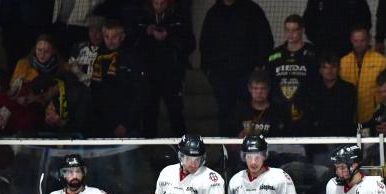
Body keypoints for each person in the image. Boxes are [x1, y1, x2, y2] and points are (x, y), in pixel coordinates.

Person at [199, 0, 273, 137]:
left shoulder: (252, 10)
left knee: (246, 111)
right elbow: (204, 44)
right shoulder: (213, 13)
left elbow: (265, 39)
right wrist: (208, 70)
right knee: (225, 112)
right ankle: (226, 150)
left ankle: (251, 148)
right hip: (220, 76)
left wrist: (259, 67)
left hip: (246, 74)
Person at [137, 0, 196, 137]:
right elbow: (134, 42)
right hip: (149, 72)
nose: (158, 7)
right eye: (155, 3)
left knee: (175, 111)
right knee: (149, 112)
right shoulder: (143, 17)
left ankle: (181, 148)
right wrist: (146, 32)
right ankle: (149, 148)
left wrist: (168, 35)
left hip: (172, 73)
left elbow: (189, 44)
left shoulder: (179, 17)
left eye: (162, 3)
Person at [90, 20, 147, 138]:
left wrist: (125, 123)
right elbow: (96, 90)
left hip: (126, 124)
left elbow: (139, 93)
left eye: (114, 37)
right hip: (102, 122)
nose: (110, 41)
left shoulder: (132, 58)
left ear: (122, 37)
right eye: (106, 36)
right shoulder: (99, 57)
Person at [267, 14, 319, 137]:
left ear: (302, 30)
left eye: (294, 30)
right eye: (288, 30)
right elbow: (269, 82)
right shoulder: (275, 55)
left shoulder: (313, 54)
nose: (291, 34)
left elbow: (318, 83)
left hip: (306, 112)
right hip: (279, 112)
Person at [339, 25, 386, 124]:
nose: (359, 44)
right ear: (351, 40)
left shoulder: (380, 61)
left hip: (374, 116)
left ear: (368, 40)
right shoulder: (343, 62)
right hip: (349, 116)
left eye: (362, 40)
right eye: (356, 41)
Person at [228, 69, 289, 139]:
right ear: (249, 88)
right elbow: (231, 139)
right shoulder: (240, 111)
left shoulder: (278, 111)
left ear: (268, 89)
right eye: (255, 88)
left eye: (263, 88)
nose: (259, 92)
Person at [303, 0, 371, 57]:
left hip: (349, 50)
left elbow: (365, 21)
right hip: (323, 50)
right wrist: (318, 41)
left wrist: (356, 41)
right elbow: (308, 22)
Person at [313, 51, 357, 137]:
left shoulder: (348, 89)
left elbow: (348, 115)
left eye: (333, 67)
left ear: (339, 69)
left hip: (342, 135)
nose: (329, 71)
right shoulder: (313, 89)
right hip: (318, 135)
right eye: (325, 67)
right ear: (320, 70)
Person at [68, 15, 105, 87]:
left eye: (98, 31)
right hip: (75, 85)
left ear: (104, 33)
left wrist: (84, 68)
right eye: (91, 31)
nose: (94, 35)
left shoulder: (106, 51)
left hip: (94, 88)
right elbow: (69, 65)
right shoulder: (80, 46)